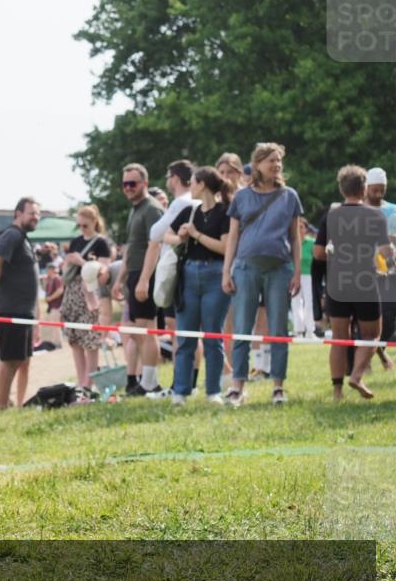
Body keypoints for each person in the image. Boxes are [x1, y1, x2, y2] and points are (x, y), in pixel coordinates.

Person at [222, 143, 303, 407]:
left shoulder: (290, 195)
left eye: (279, 160)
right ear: (257, 164)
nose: (276, 165)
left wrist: (297, 272)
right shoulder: (242, 197)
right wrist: (227, 270)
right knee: (243, 328)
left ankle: (278, 386)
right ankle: (237, 387)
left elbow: (295, 237)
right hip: (246, 268)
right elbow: (233, 236)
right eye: (271, 160)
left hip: (279, 269)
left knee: (278, 328)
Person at [314, 165, 391, 400]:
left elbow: (318, 254)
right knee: (372, 335)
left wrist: (337, 255)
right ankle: (356, 375)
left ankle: (337, 391)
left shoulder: (332, 215)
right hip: (365, 281)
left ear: (341, 189)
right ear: (365, 188)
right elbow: (386, 252)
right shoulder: (375, 216)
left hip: (338, 281)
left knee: (339, 337)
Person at [163, 166, 234, 404]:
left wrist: (196, 235)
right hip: (189, 276)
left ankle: (213, 391)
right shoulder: (188, 211)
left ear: (202, 184)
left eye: (192, 182)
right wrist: (181, 237)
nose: (190, 186)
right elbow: (167, 236)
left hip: (216, 274)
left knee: (213, 336)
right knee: (185, 337)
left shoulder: (225, 213)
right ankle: (180, 392)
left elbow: (225, 248)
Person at [138, 160, 195, 398]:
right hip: (185, 269)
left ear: (176, 178)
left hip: (176, 271)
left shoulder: (182, 202)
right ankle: (186, 384)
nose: (167, 180)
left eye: (169, 176)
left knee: (178, 329)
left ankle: (180, 385)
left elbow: (155, 233)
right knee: (186, 331)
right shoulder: (193, 201)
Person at [112, 164, 164, 395]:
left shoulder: (152, 209)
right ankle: (145, 380)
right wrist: (119, 280)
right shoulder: (135, 210)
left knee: (146, 330)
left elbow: (157, 245)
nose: (128, 188)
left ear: (144, 183)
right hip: (134, 274)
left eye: (133, 183)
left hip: (147, 274)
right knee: (134, 332)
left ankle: (150, 382)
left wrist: (144, 280)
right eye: (125, 184)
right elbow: (131, 249)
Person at [0, 197, 41, 410]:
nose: (35, 217)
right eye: (31, 213)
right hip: (9, 310)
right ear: (18, 214)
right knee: (9, 360)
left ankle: (1, 402)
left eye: (38, 213)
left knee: (18, 359)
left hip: (21, 311)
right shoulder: (12, 235)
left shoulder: (23, 238)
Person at [59, 205, 111, 388]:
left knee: (90, 341)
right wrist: (67, 264)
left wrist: (80, 261)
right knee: (75, 341)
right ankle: (82, 383)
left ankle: (88, 385)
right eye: (79, 225)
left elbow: (102, 272)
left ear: (94, 222)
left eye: (85, 225)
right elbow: (66, 272)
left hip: (89, 294)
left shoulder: (101, 243)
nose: (82, 229)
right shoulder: (75, 242)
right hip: (72, 294)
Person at [365, 166, 396, 370]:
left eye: (381, 190)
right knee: (369, 318)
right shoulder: (357, 209)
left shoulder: (392, 210)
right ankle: (363, 361)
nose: (377, 194)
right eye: (374, 189)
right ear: (366, 187)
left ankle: (380, 351)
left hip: (390, 272)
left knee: (388, 320)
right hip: (365, 271)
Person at [36, 263, 64, 352]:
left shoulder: (57, 279)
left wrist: (50, 298)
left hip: (57, 306)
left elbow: (60, 290)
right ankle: (53, 342)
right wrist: (44, 281)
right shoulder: (50, 280)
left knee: (56, 325)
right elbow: (45, 290)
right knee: (52, 325)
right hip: (51, 306)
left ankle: (58, 343)